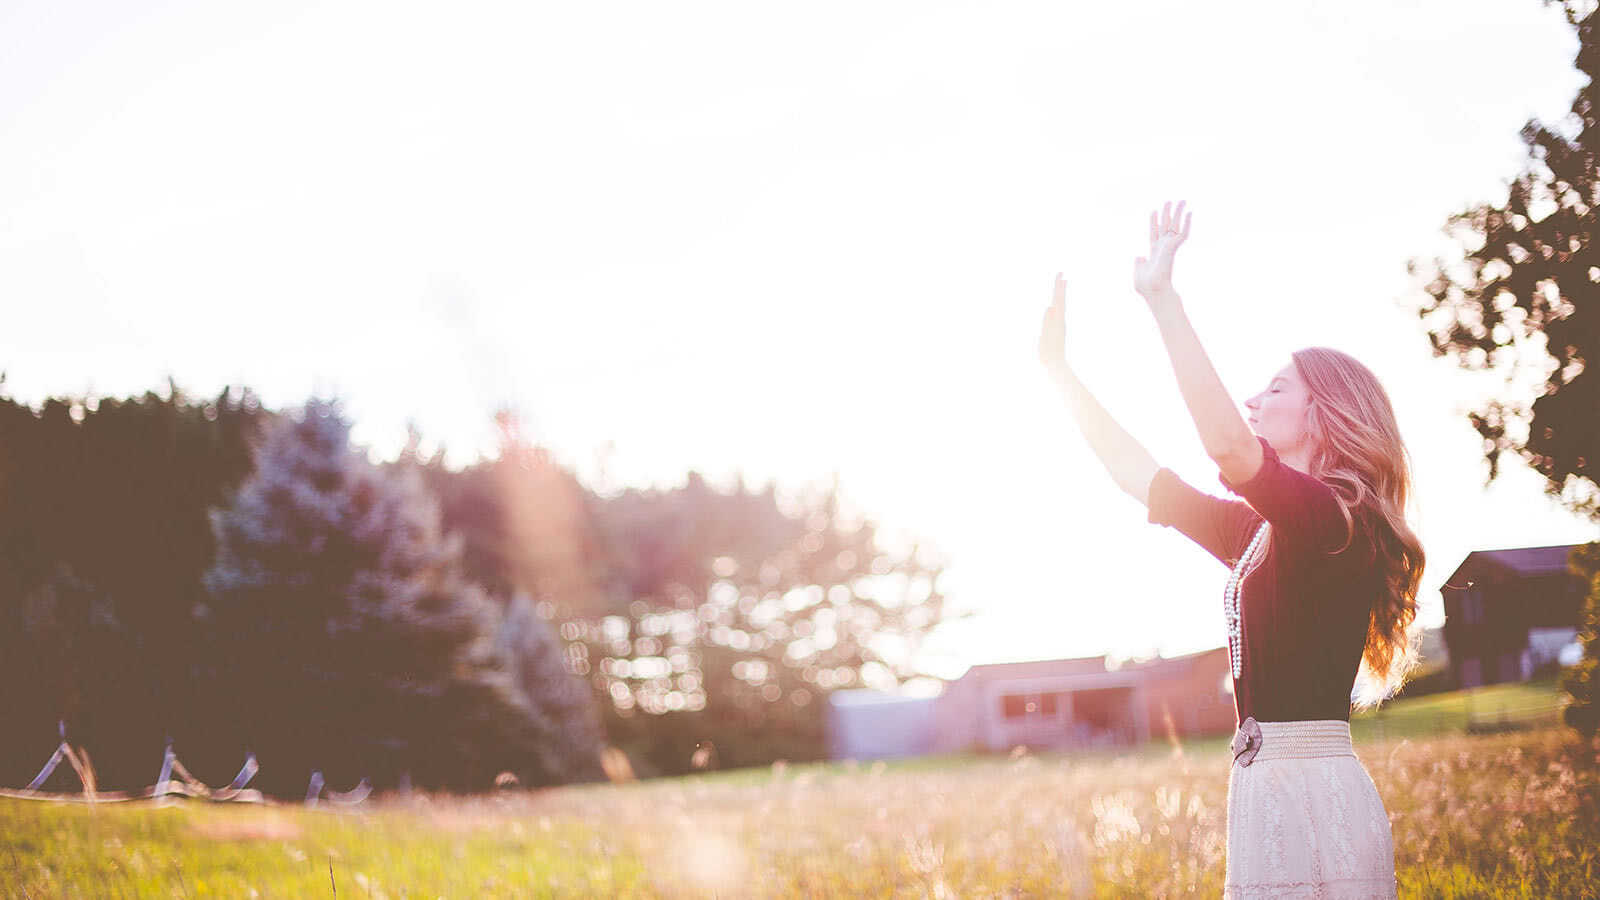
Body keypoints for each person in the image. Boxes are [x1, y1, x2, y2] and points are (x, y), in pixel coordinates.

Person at [1037, 202, 1422, 899]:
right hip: (1265, 791)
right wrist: (1059, 374)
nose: (1253, 401)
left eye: (1276, 388)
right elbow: (1140, 476)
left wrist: (1163, 302)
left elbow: (1227, 446)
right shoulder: (1263, 534)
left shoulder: (1335, 523)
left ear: (1324, 414)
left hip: (1314, 793)